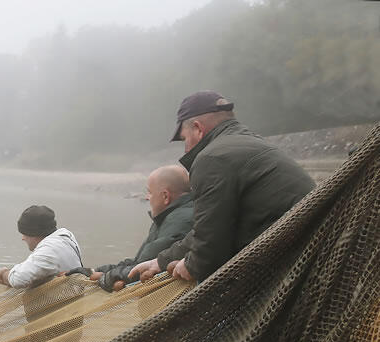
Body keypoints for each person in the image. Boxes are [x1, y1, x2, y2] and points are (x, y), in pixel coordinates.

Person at [129, 90, 315, 284]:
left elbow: (209, 252)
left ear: (197, 128)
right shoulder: (251, 142)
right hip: (310, 244)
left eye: (184, 139)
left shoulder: (212, 158)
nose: (186, 148)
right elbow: (209, 226)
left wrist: (191, 265)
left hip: (295, 262)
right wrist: (161, 262)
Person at [69, 165, 194, 292]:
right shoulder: (169, 217)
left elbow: (144, 269)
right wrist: (95, 271)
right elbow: (138, 261)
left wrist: (107, 278)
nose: (147, 198)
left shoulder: (179, 221)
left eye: (150, 192)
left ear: (165, 196)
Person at [0, 205, 82, 288]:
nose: (23, 238)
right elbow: (37, 268)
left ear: (35, 234)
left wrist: (2, 274)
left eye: (24, 233)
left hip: (58, 310)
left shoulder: (50, 250)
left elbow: (18, 279)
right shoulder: (64, 237)